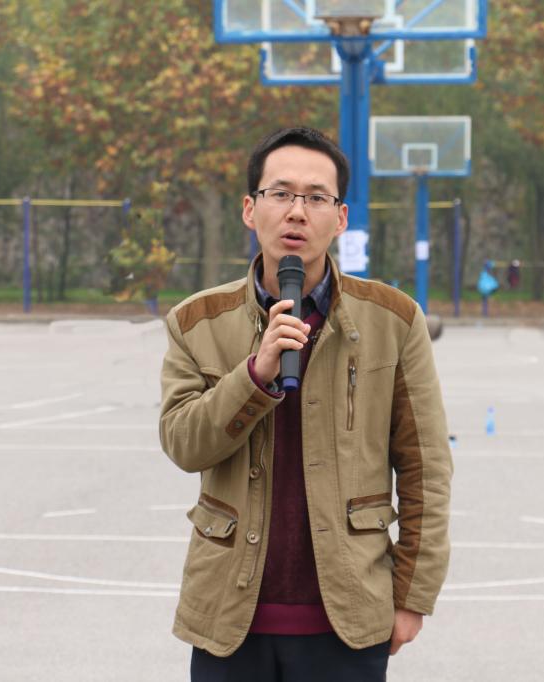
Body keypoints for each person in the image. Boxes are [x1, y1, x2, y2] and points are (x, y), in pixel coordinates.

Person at [159, 127, 453, 682]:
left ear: (340, 218)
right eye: (281, 193)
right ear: (250, 209)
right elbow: (183, 444)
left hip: (347, 619)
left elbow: (426, 468)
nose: (297, 211)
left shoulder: (393, 320)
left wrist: (413, 596)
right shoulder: (197, 322)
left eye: (317, 197)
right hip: (227, 617)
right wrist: (255, 374)